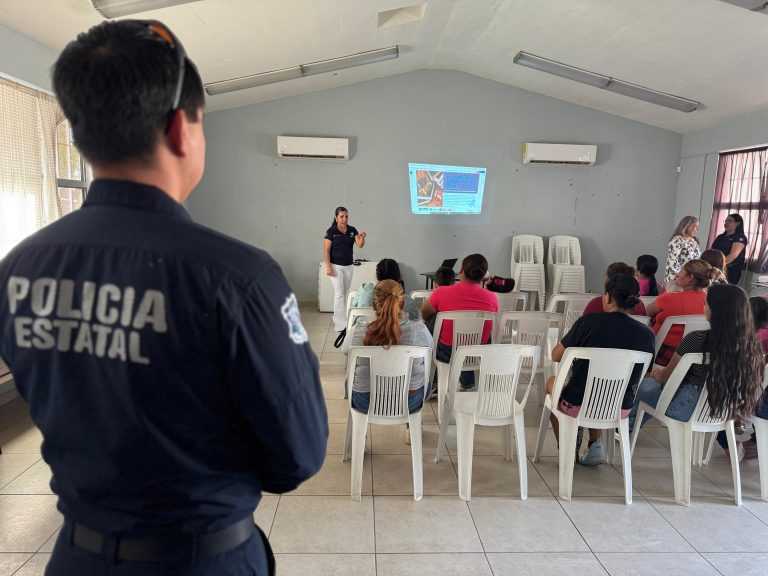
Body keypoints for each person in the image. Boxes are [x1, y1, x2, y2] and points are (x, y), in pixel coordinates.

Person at [0, 20, 327, 576]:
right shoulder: (238, 277)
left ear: (80, 136)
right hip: (201, 558)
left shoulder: (18, 269)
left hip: (76, 557)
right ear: (182, 130)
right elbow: (297, 454)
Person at [629, 284, 763, 444]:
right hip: (721, 411)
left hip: (683, 408)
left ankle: (627, 427)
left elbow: (666, 378)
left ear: (716, 310)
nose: (703, 307)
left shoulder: (696, 339)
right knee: (653, 390)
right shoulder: (751, 346)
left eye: (706, 304)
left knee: (641, 387)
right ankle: (629, 425)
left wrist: (655, 374)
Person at [545, 274, 655, 465]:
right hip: (619, 408)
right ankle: (595, 444)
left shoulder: (588, 323)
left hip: (578, 403)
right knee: (601, 389)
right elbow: (643, 374)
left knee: (552, 384)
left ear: (608, 297)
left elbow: (556, 355)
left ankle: (568, 449)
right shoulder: (646, 334)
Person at [343, 280, 433, 413]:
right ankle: (412, 425)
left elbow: (345, 351)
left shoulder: (357, 331)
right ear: (402, 305)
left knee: (349, 380)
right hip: (409, 402)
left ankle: (358, 429)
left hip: (365, 402)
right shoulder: (419, 329)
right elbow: (430, 350)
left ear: (373, 305)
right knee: (425, 381)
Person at [422, 254, 498, 389]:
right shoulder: (492, 297)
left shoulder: (442, 292)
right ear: (483, 276)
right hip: (477, 352)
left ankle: (435, 382)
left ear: (461, 271)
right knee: (475, 334)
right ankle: (468, 382)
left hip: (446, 352)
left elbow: (425, 314)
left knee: (433, 320)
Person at [324, 206, 367, 332]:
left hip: (348, 266)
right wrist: (328, 267)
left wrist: (362, 237)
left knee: (344, 293)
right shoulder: (331, 231)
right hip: (335, 266)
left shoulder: (352, 230)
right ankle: (340, 324)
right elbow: (326, 251)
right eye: (341, 216)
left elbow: (360, 245)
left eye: (346, 216)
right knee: (339, 294)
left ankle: (337, 317)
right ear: (336, 217)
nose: (344, 219)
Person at [352, 258, 419, 321]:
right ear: (398, 278)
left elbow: (353, 306)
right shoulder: (408, 302)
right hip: (398, 332)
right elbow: (414, 322)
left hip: (362, 330)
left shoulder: (364, 290)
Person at [711, 213, 748, 285]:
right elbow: (711, 251)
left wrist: (720, 267)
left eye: (730, 221)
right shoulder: (720, 236)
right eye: (725, 221)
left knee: (724, 292)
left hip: (730, 271)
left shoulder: (740, 237)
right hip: (715, 268)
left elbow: (733, 255)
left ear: (737, 223)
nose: (726, 223)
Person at [665, 216, 701, 289]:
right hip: (676, 279)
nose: (697, 229)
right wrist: (680, 277)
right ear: (687, 226)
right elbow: (672, 262)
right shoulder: (677, 240)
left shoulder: (694, 241)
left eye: (698, 227)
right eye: (695, 226)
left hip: (689, 279)